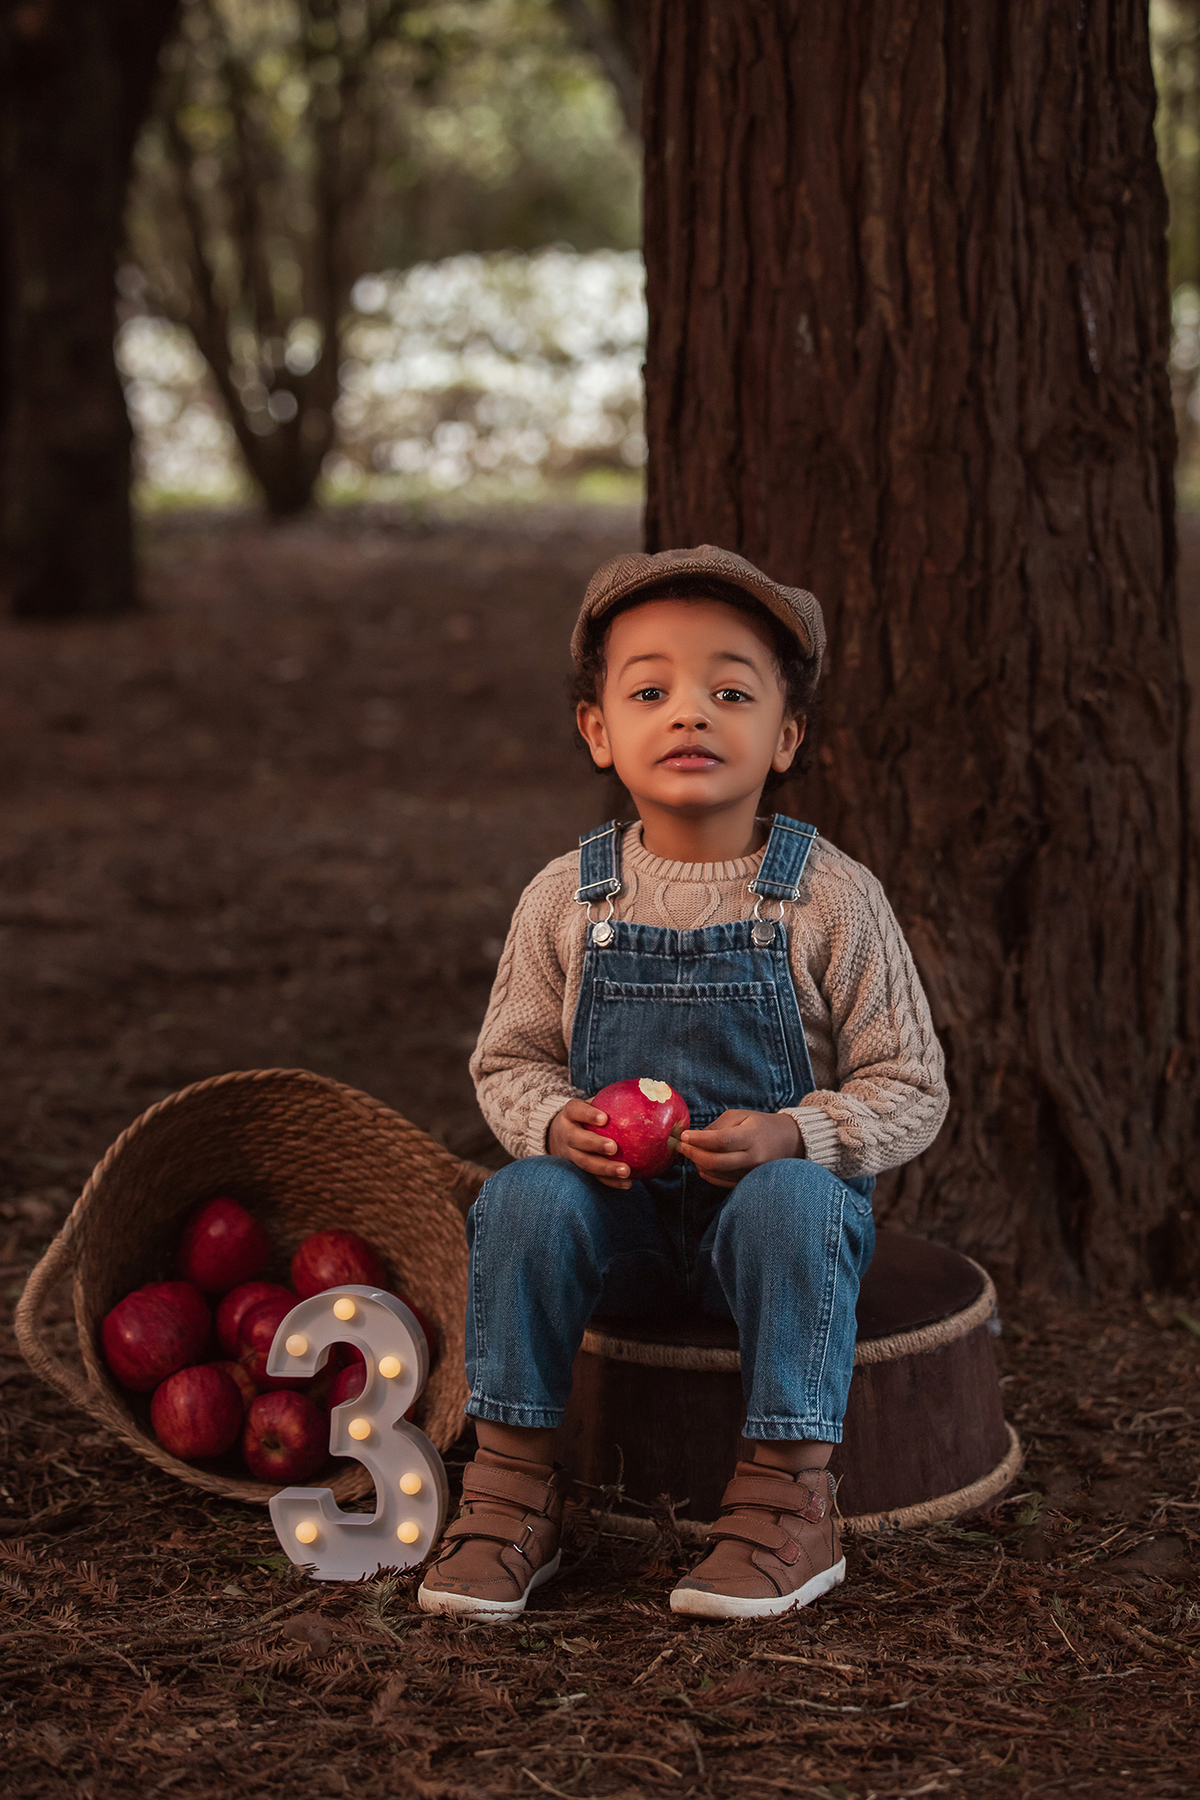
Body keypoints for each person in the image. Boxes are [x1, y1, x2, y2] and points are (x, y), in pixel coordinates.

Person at [417, 545, 948, 1621]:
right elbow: (509, 1060)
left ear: (785, 738)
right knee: (519, 1193)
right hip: (618, 1234)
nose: (691, 715)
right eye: (651, 690)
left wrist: (795, 1134)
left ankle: (787, 1502)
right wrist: (557, 1121)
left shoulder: (829, 898)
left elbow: (912, 1084)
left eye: (731, 692)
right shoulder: (568, 897)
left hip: (763, 1240)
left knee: (799, 1202)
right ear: (599, 731)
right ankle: (514, 1488)